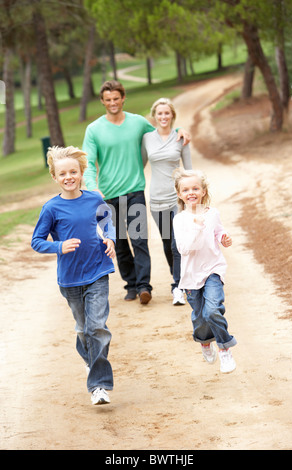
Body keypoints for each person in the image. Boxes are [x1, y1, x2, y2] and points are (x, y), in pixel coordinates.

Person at [82, 80, 190, 304]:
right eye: (108, 99)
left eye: (116, 98)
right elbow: (88, 162)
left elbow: (163, 133)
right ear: (102, 101)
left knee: (139, 240)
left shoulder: (138, 123)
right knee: (118, 241)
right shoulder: (94, 129)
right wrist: (92, 187)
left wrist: (180, 130)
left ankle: (144, 287)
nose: (113, 103)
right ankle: (131, 284)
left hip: (135, 192)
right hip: (107, 196)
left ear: (123, 98)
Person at [31, 145, 116, 405]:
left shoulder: (94, 199)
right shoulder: (51, 208)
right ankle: (92, 361)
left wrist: (111, 239)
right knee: (82, 330)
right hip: (70, 279)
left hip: (98, 272)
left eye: (73, 172)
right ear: (54, 177)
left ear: (81, 173)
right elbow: (36, 241)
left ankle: (99, 385)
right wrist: (59, 246)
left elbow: (106, 222)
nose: (69, 177)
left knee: (97, 327)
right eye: (62, 173)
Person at [173, 168, 237, 373]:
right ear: (179, 194)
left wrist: (223, 238)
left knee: (212, 310)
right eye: (186, 189)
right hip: (191, 276)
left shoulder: (212, 213)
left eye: (195, 188)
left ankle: (225, 348)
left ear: (203, 191)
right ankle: (205, 341)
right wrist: (196, 227)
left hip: (213, 269)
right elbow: (183, 248)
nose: (191, 192)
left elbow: (218, 230)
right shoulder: (180, 220)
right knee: (200, 317)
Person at [141, 97, 192, 306]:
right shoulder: (146, 138)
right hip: (156, 198)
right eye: (159, 113)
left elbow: (188, 170)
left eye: (167, 113)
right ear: (154, 116)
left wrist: (191, 197)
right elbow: (140, 163)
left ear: (172, 116)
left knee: (176, 242)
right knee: (166, 242)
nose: (163, 117)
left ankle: (178, 287)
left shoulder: (181, 138)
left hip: (176, 198)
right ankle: (178, 278)